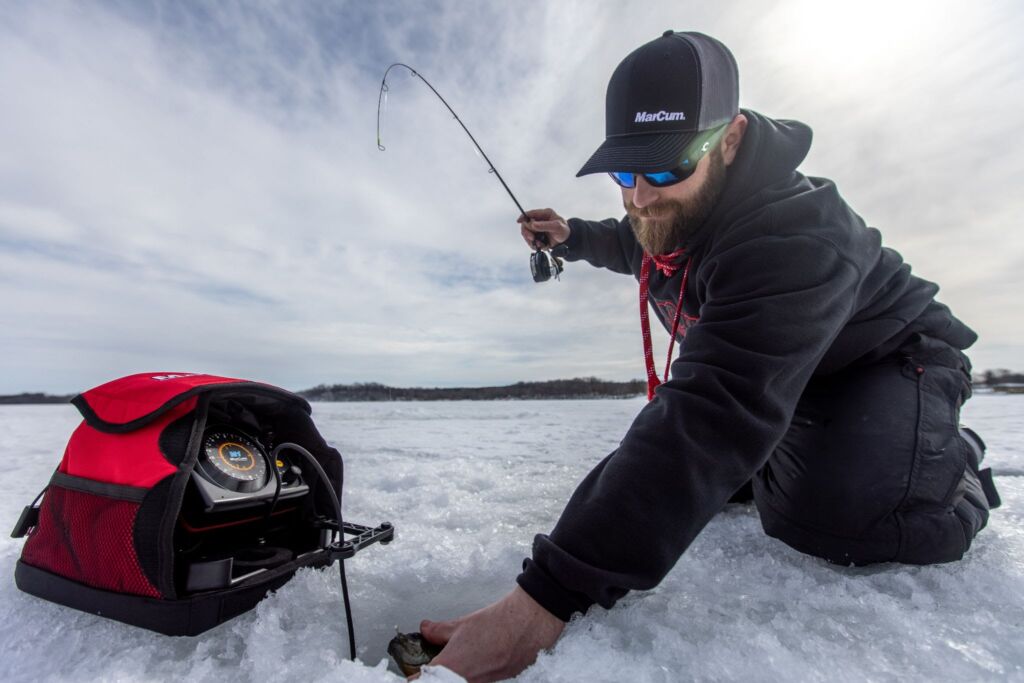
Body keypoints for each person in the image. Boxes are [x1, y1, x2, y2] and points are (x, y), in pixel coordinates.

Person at [416, 30, 1001, 682]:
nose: (640, 195)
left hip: (886, 362)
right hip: (787, 378)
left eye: (665, 167)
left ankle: (946, 459)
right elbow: (632, 243)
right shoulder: (671, 214)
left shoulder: (796, 234)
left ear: (729, 138)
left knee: (837, 520)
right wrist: (572, 235)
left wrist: (544, 602)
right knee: (721, 486)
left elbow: (711, 413)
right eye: (623, 171)